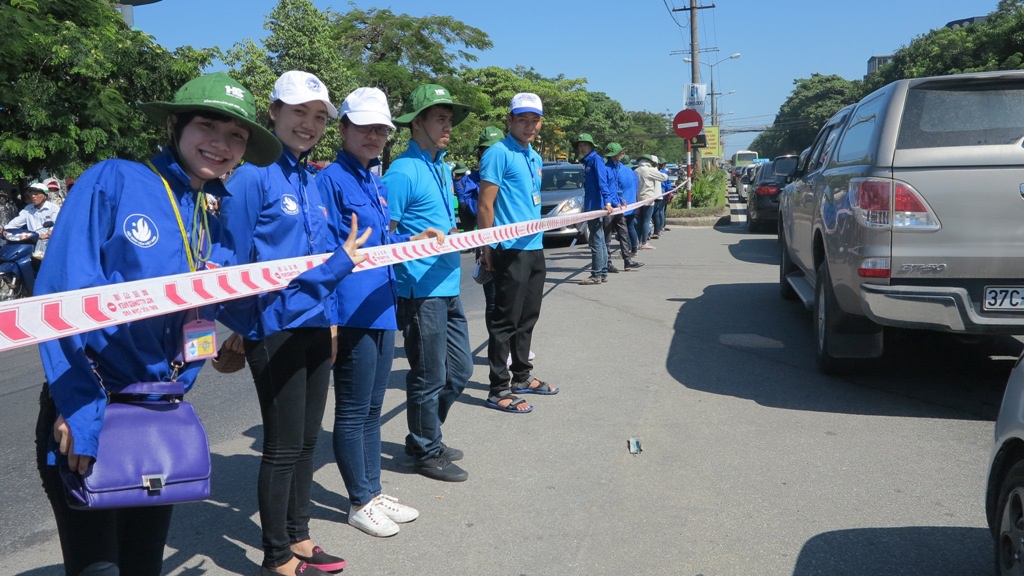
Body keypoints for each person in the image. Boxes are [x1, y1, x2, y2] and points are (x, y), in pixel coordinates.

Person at [33, 72, 283, 576]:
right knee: (99, 569)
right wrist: (77, 408)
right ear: (175, 124)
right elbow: (61, 297)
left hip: (159, 415)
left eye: (236, 136)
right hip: (92, 408)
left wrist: (335, 268)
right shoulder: (115, 180)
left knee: (143, 566)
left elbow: (230, 305)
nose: (222, 143)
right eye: (208, 125)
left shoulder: (208, 213)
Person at [217, 70, 361, 576]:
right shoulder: (252, 176)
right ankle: (275, 555)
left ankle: (300, 537)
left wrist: (334, 324)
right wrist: (247, 325)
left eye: (319, 116)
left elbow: (324, 260)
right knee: (280, 446)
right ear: (273, 113)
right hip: (275, 327)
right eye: (299, 112)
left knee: (305, 440)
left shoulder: (310, 177)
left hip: (317, 322)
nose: (309, 124)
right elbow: (225, 265)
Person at [317, 87, 444, 537]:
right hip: (350, 310)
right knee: (353, 411)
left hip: (380, 304)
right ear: (344, 127)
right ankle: (358, 501)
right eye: (365, 126)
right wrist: (329, 320)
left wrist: (409, 243)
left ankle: (372, 490)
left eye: (381, 129)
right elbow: (325, 255)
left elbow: (375, 244)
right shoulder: (330, 179)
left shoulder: (372, 176)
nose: (374, 135)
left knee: (373, 408)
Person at [383, 83, 473, 482]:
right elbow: (383, 233)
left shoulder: (441, 166)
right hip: (420, 290)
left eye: (449, 120)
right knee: (429, 375)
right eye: (440, 118)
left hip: (449, 283)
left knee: (460, 372)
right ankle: (425, 449)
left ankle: (424, 433)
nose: (447, 126)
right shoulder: (402, 171)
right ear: (417, 123)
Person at [477, 93, 557, 414]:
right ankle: (498, 388)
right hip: (508, 249)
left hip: (534, 247)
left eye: (534, 120)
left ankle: (521, 377)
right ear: (509, 120)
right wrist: (486, 247)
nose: (528, 125)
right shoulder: (498, 153)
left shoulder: (533, 156)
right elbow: (485, 204)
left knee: (528, 317)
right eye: (522, 119)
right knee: (504, 320)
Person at [575, 133, 616, 285]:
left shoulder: (595, 160)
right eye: (580, 145)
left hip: (597, 206)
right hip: (592, 205)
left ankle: (597, 274)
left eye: (585, 145)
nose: (582, 148)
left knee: (596, 240)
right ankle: (602, 272)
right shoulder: (588, 161)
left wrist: (607, 201)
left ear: (591, 146)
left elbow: (602, 182)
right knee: (598, 239)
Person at [602, 143, 642, 272]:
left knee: (623, 232)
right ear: (614, 154)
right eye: (620, 153)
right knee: (607, 236)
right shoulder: (606, 169)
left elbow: (616, 188)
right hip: (608, 207)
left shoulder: (616, 167)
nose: (621, 155)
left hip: (618, 206)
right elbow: (606, 189)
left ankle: (627, 260)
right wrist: (613, 201)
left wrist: (620, 199)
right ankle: (607, 262)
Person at [635, 155, 669, 250]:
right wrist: (663, 172)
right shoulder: (649, 170)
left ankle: (638, 241)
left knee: (639, 221)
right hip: (648, 198)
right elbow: (663, 177)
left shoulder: (636, 170)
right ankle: (644, 242)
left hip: (638, 199)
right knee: (646, 220)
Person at [617, 155, 643, 263]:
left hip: (622, 204)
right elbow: (636, 189)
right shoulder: (632, 172)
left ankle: (626, 251)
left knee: (623, 230)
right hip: (632, 203)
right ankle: (634, 249)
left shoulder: (617, 171)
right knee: (631, 227)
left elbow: (617, 189)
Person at [452, 162, 478, 232]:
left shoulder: (454, 182)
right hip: (471, 203)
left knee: (467, 228)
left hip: (461, 205)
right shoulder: (468, 178)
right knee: (474, 226)